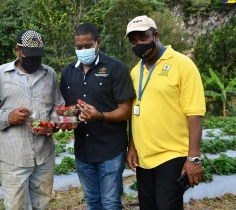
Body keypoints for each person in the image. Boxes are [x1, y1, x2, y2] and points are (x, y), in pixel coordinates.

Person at [125, 15, 206, 210]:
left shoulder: (182, 64)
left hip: (172, 156)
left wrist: (193, 158)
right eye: (133, 41)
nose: (139, 44)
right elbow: (135, 113)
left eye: (143, 38)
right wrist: (132, 147)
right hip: (144, 159)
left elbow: (194, 112)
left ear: (156, 35)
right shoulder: (135, 72)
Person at [0, 29, 64, 210]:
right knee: (15, 206)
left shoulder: (49, 74)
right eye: (29, 55)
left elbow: (58, 106)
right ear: (17, 51)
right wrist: (8, 117)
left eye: (37, 56)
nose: (33, 60)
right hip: (13, 156)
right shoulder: (0, 75)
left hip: (44, 155)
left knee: (41, 204)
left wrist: (53, 124)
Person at [60, 23, 135, 209]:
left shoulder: (115, 68)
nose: (83, 50)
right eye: (79, 47)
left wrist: (99, 115)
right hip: (83, 150)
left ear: (98, 42)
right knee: (92, 201)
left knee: (110, 202)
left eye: (87, 46)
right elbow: (67, 109)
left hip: (110, 149)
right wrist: (64, 121)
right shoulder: (68, 72)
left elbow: (126, 110)